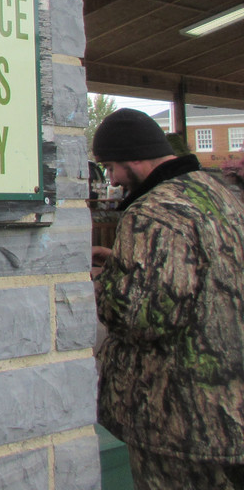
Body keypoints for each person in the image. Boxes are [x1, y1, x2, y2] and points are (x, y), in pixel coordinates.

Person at [90, 108, 244, 489]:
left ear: (135, 157)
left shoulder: (153, 211)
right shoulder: (221, 195)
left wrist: (96, 282)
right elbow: (204, 272)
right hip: (232, 414)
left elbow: (140, 315)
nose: (111, 179)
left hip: (181, 423)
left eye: (111, 167)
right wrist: (123, 264)